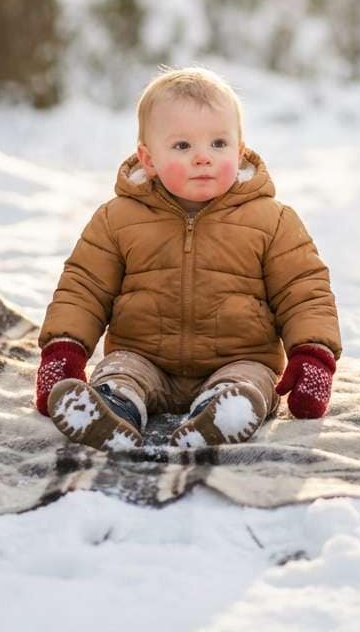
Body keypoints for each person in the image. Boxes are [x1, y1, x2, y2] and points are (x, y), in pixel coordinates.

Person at [34, 67, 342, 452]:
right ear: (148, 159)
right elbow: (83, 289)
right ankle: (110, 411)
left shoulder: (273, 221)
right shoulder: (117, 219)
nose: (203, 158)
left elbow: (304, 292)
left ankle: (224, 414)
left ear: (240, 151)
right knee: (119, 373)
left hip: (240, 359)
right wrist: (64, 350)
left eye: (218, 143)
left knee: (249, 382)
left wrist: (312, 356)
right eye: (182, 146)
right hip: (143, 357)